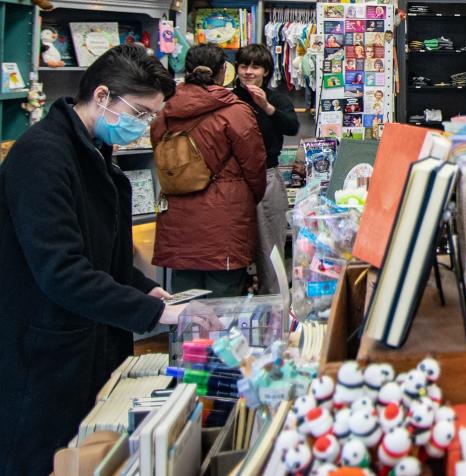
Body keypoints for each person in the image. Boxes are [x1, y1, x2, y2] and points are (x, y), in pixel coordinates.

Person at [0, 45, 199, 469]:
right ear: (104, 96)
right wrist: (150, 313)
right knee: (41, 459)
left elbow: (102, 255)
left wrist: (149, 290)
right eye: (141, 114)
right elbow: (63, 271)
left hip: (85, 345)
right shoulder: (42, 157)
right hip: (43, 353)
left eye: (151, 117)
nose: (145, 128)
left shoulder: (92, 151)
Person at [153, 45, 267, 296]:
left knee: (184, 301)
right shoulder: (235, 111)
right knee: (223, 303)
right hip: (225, 216)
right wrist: (248, 197)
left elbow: (160, 152)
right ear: (223, 71)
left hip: (178, 215)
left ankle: (183, 337)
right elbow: (255, 166)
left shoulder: (166, 109)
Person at [234, 44, 299, 295]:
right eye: (244, 66)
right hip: (233, 180)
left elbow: (292, 126)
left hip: (267, 176)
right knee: (233, 248)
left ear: (266, 71)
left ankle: (275, 311)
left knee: (270, 249)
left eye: (255, 66)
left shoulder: (276, 99)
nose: (249, 72)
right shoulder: (228, 97)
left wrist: (267, 108)